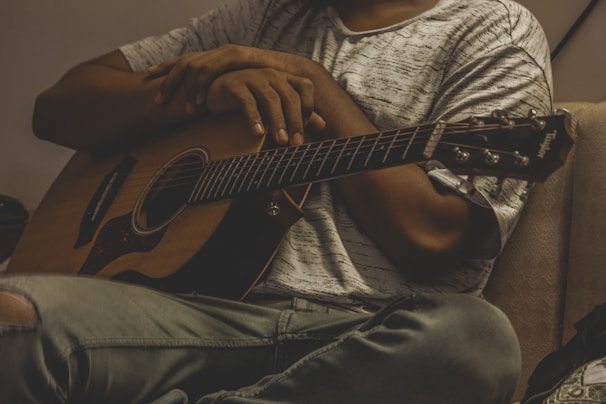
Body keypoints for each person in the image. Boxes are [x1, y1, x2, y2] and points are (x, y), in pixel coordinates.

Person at [0, 0, 553, 402]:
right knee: (14, 319)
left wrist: (317, 83)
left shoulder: (492, 29)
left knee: (475, 342)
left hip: (365, 335)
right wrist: (199, 97)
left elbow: (436, 240)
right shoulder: (265, 17)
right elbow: (57, 107)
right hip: (195, 315)